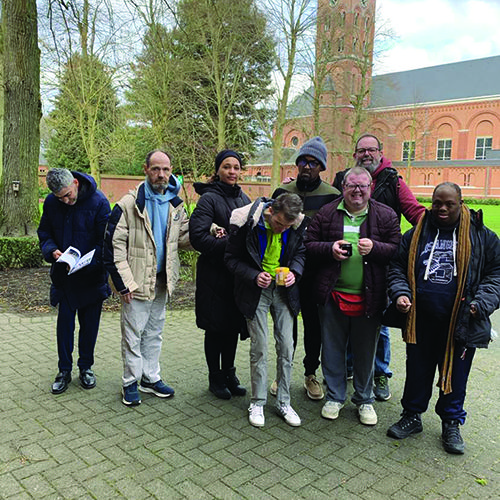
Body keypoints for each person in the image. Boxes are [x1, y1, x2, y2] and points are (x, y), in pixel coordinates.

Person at [386, 182, 500, 454]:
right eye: (437, 203)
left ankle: (451, 422)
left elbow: (496, 274)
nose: (442, 208)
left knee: (456, 375)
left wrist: (480, 304)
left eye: (450, 204)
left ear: (461, 203)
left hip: (461, 321)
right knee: (417, 370)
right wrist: (400, 293)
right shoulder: (416, 233)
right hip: (421, 319)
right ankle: (412, 415)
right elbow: (397, 267)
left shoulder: (482, 236)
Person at [306, 167, 400, 426]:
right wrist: (330, 248)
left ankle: (364, 399)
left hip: (370, 296)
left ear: (370, 187)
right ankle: (335, 397)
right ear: (343, 187)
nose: (357, 191)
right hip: (333, 295)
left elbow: (397, 249)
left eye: (362, 186)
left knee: (365, 351)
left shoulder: (385, 214)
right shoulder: (327, 213)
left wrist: (376, 247)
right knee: (332, 349)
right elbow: (309, 244)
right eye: (352, 186)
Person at [333, 133, 425, 401]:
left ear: (380, 153)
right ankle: (350, 366)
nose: (366, 154)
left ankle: (380, 373)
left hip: (379, 261)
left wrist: (439, 224)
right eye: (361, 150)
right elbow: (327, 205)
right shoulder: (343, 178)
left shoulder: (393, 180)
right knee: (347, 316)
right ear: (355, 154)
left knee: (378, 322)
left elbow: (414, 211)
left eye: (371, 150)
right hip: (347, 262)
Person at [104, 149, 189, 406]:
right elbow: (113, 247)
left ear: (171, 171)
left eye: (166, 169)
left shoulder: (175, 204)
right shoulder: (128, 205)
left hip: (162, 281)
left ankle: (150, 378)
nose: (161, 174)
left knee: (154, 332)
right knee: (133, 335)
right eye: (156, 169)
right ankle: (130, 381)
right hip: (136, 283)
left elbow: (183, 237)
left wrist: (210, 231)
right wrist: (123, 284)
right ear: (146, 169)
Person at [225, 193, 306, 427]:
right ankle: (258, 401)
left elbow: (300, 253)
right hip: (256, 292)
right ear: (271, 211)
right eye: (279, 224)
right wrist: (253, 275)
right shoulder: (246, 223)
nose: (281, 230)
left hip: (284, 291)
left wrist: (294, 272)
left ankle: (284, 401)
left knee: (287, 346)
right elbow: (230, 259)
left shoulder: (295, 226)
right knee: (259, 346)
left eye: (287, 226)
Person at [272, 136, 340, 400]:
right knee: (285, 325)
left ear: (322, 167)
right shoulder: (282, 191)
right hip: (286, 270)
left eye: (313, 163)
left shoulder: (331, 195)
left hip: (315, 271)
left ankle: (310, 373)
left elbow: (332, 232)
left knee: (314, 326)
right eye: (303, 161)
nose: (307, 167)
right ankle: (282, 373)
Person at [38, 168, 111, 394]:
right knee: (64, 327)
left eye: (68, 195)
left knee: (89, 327)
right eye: (60, 198)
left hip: (91, 277)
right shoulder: (52, 203)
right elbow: (44, 233)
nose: (66, 201)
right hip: (65, 277)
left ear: (76, 183)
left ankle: (86, 368)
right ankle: (64, 370)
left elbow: (106, 241)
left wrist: (89, 262)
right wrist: (52, 250)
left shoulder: (99, 202)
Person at [189, 150, 251, 399]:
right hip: (214, 276)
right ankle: (215, 377)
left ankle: (229, 374)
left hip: (236, 277)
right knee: (215, 328)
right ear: (218, 170)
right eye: (227, 166)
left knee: (232, 327)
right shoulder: (209, 199)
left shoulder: (244, 198)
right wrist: (232, 244)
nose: (232, 171)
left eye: (236, 167)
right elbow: (197, 237)